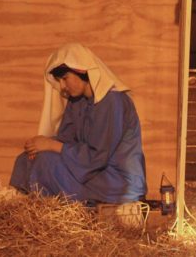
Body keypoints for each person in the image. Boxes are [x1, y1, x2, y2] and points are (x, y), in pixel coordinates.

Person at [10, 42, 147, 204]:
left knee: (45, 163)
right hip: (88, 170)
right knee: (28, 159)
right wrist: (38, 146)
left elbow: (97, 158)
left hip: (116, 180)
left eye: (65, 78)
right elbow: (67, 139)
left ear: (81, 71)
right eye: (59, 81)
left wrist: (51, 145)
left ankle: (48, 208)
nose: (62, 86)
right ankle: (19, 204)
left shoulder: (112, 101)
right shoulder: (77, 101)